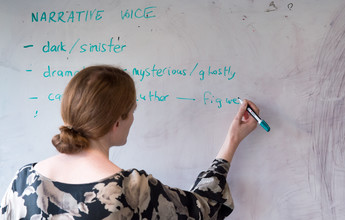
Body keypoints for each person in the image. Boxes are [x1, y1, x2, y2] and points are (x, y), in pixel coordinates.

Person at [0, 65, 259, 219]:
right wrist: (232, 140)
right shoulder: (132, 190)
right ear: (117, 122)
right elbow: (203, 210)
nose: (133, 118)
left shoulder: (23, 180)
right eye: (132, 111)